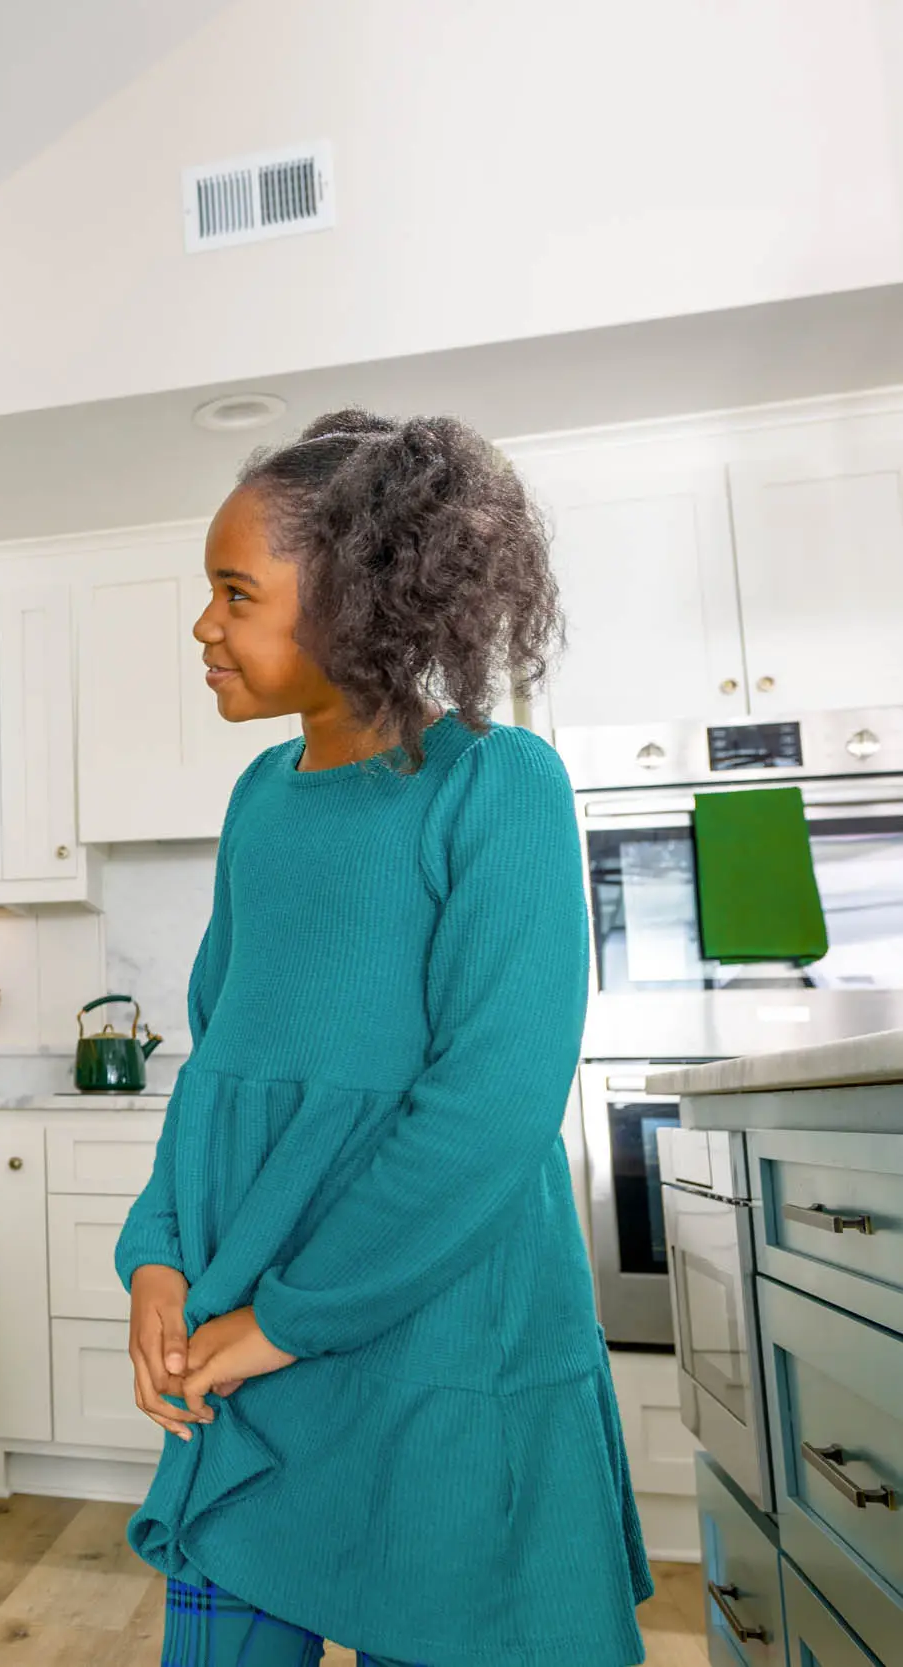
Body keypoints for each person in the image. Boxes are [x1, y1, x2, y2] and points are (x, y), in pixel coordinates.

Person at [116, 409, 652, 1666]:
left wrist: (279, 1321)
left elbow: (487, 1112)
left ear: (356, 601)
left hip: (440, 1370)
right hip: (247, 1361)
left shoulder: (497, 785)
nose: (203, 626)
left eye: (234, 593)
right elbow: (214, 1072)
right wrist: (156, 1259)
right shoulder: (257, 802)